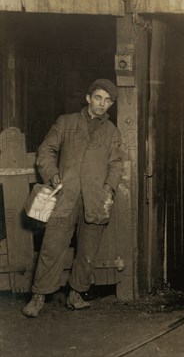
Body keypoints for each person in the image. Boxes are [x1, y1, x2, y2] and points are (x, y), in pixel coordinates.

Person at [22, 79, 123, 317]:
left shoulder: (112, 132)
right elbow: (46, 150)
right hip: (65, 196)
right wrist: (53, 175)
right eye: (98, 98)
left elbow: (116, 164)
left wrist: (108, 188)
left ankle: (76, 294)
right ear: (88, 98)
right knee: (51, 247)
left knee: (87, 251)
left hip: (95, 199)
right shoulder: (66, 122)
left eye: (107, 101)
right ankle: (38, 296)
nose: (102, 104)